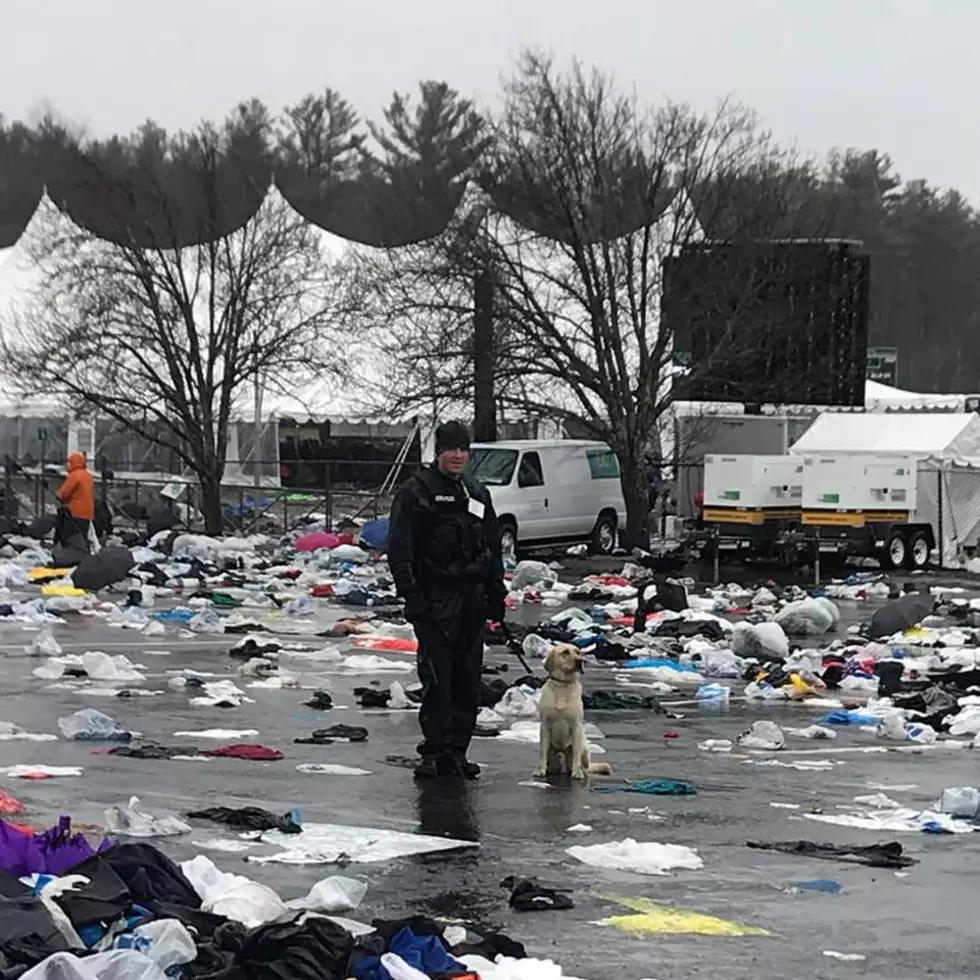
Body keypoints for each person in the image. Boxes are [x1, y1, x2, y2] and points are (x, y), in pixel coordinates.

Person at [387, 421, 507, 780]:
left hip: (472, 597)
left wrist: (496, 592)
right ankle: (435, 751)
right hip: (435, 599)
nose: (457, 456)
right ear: (438, 452)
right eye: (451, 449)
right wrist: (413, 599)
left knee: (467, 681)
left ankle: (458, 750)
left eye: (463, 449)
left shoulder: (476, 492)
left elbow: (492, 544)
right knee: (438, 680)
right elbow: (400, 550)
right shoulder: (416, 492)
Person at [54, 451, 95, 547]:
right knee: (82, 536)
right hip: (88, 512)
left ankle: (71, 553)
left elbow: (64, 492)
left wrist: (58, 495)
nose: (68, 465)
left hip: (75, 511)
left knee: (71, 536)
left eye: (69, 462)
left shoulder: (74, 475)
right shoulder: (88, 475)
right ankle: (83, 552)